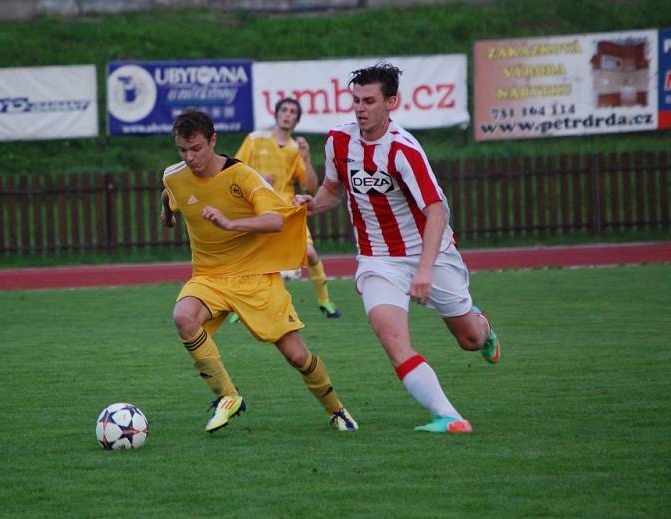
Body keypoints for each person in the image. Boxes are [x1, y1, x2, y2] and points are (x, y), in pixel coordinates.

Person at [294, 63, 501, 434]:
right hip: (378, 259)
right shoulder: (339, 141)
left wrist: (423, 271)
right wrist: (310, 205)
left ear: (391, 102)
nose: (360, 108)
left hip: (431, 254)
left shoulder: (404, 149)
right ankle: (450, 417)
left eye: (369, 101)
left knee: (470, 340)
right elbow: (333, 190)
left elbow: (437, 211)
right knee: (392, 338)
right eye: (355, 100)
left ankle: (482, 326)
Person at [160, 108, 357, 433]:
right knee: (183, 317)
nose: (190, 157)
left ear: (213, 140)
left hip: (256, 279)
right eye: (183, 150)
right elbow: (171, 196)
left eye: (196, 148)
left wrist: (230, 222)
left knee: (297, 356)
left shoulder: (242, 176)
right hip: (209, 277)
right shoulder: (174, 176)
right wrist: (166, 216)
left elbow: (275, 220)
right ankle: (228, 397)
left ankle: (336, 410)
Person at [235, 98, 341, 319]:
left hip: (289, 211)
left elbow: (310, 185)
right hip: (260, 208)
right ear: (276, 114)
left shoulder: (295, 149)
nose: (287, 114)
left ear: (297, 119)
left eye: (292, 112)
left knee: (310, 254)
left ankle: (325, 301)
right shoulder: (256, 139)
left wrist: (307, 158)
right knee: (252, 259)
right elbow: (235, 169)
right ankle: (237, 308)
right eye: (284, 110)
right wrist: (257, 177)